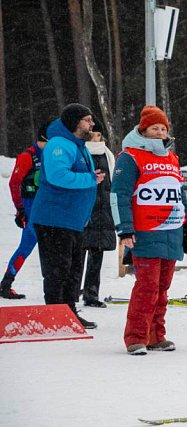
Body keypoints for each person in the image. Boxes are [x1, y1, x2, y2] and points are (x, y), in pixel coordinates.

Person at [111, 105, 187, 355]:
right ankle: (136, 337)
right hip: (146, 231)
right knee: (146, 287)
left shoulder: (171, 158)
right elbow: (119, 194)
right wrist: (124, 229)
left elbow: (179, 194)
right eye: (154, 128)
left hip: (171, 232)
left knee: (162, 288)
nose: (160, 132)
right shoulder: (130, 157)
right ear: (143, 130)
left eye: (163, 128)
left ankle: (156, 335)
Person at [29, 104, 103, 329]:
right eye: (87, 120)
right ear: (74, 122)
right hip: (54, 218)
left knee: (73, 270)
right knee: (57, 270)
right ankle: (54, 314)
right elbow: (58, 176)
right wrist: (90, 179)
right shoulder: (59, 145)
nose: (92, 124)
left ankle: (69, 312)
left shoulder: (79, 146)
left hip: (73, 220)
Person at [1, 123, 48, 299]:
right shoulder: (27, 156)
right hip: (30, 206)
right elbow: (14, 183)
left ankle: (57, 284)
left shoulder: (50, 154)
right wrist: (20, 209)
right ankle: (6, 282)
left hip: (46, 206)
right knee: (27, 245)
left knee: (51, 248)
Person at [81, 117, 117, 307]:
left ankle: (91, 294)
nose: (96, 139)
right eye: (93, 136)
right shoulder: (81, 153)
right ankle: (71, 292)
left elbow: (112, 185)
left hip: (103, 213)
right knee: (77, 256)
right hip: (85, 211)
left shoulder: (108, 155)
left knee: (97, 256)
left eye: (99, 136)